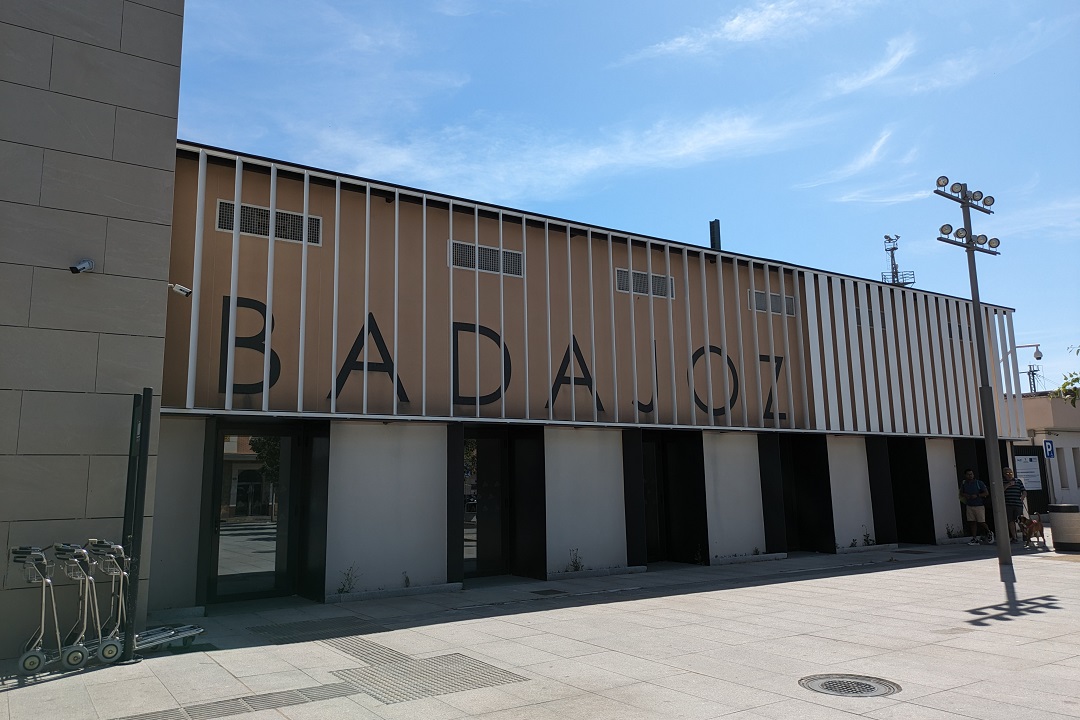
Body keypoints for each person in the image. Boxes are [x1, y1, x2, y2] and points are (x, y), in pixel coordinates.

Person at [959, 469, 992, 545]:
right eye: (968, 474)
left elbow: (986, 493)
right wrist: (965, 495)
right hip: (969, 505)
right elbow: (961, 492)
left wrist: (977, 495)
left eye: (971, 474)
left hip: (979, 505)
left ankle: (989, 532)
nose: (970, 476)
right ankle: (974, 538)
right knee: (972, 522)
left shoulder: (978, 483)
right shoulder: (964, 483)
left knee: (981, 521)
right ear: (965, 475)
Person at [1002, 467, 1027, 543]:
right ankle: (1014, 537)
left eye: (1011, 473)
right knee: (1010, 520)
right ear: (1004, 474)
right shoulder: (1002, 482)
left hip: (1017, 504)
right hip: (1008, 504)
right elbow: (1000, 491)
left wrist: (1022, 497)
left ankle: (1025, 534)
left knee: (1020, 520)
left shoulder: (1018, 481)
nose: (1009, 475)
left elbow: (1024, 491)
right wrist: (1008, 485)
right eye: (1007, 473)